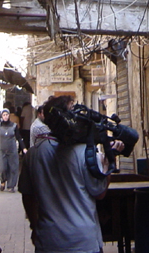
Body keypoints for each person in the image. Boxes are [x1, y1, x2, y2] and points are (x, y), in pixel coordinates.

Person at [19, 96, 124, 253]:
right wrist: (110, 160)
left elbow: (27, 196)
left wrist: (35, 226)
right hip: (83, 242)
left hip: (48, 241)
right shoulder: (84, 152)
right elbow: (100, 192)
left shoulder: (33, 154)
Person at [0, 108, 26, 192]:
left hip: (12, 149)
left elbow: (19, 137)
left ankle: (11, 185)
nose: (5, 116)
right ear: (2, 116)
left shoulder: (14, 126)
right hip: (1, 149)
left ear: (9, 115)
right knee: (2, 168)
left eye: (7, 115)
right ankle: (3, 181)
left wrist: (24, 148)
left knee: (13, 167)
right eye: (4, 115)